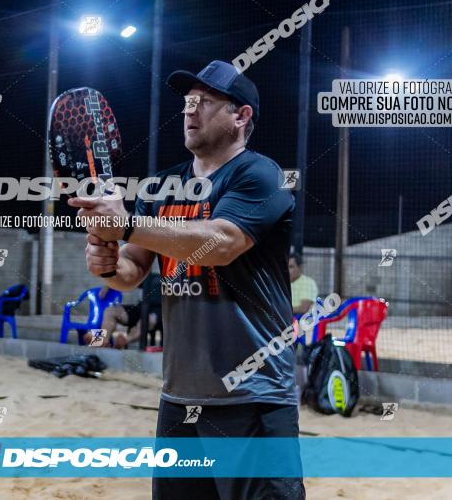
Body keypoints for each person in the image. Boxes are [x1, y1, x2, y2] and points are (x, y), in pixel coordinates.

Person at [69, 60, 303, 499]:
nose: (189, 111)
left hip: (253, 396)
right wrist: (105, 260)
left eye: (205, 102)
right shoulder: (164, 185)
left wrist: (125, 227)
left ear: (241, 116)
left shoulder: (262, 176)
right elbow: (132, 270)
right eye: (187, 102)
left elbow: (221, 243)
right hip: (180, 398)